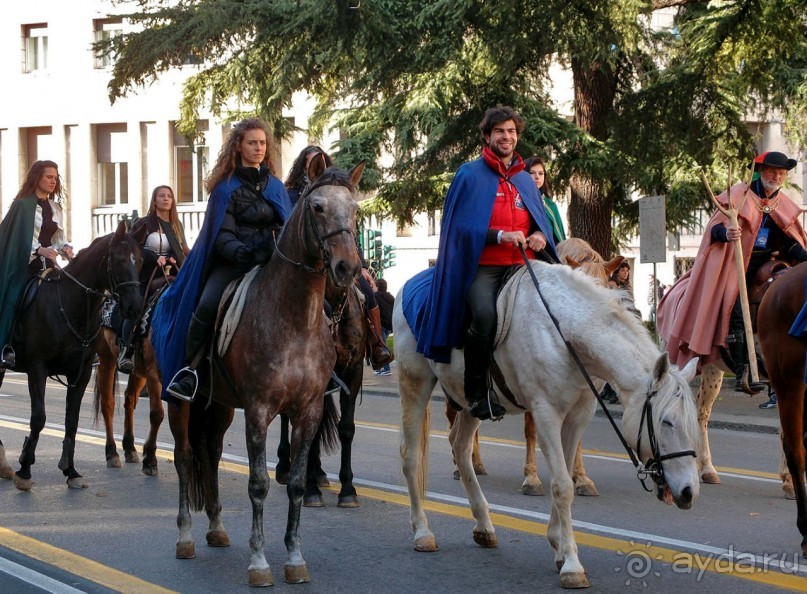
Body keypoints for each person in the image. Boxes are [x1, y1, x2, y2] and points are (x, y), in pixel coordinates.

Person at [414, 105, 558, 420]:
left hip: (525, 264)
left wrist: (541, 237)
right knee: (483, 317)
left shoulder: (523, 178)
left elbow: (539, 222)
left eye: (511, 131)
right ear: (487, 136)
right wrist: (498, 236)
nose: (506, 137)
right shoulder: (469, 175)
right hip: (486, 267)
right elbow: (459, 227)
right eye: (500, 132)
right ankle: (477, 394)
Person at [151, 118, 292, 401]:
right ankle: (189, 371)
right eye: (252, 142)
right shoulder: (225, 189)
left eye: (262, 143)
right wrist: (244, 251)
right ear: (238, 146)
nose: (259, 148)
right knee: (205, 305)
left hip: (272, 263)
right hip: (234, 262)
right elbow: (222, 234)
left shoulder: (276, 188)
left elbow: (288, 226)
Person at [659, 150, 807, 394]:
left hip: (765, 264)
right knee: (736, 308)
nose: (777, 176)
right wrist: (726, 234)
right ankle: (743, 370)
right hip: (734, 265)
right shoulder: (739, 195)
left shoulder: (783, 203)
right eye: (772, 171)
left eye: (781, 173)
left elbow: (789, 241)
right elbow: (714, 229)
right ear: (760, 171)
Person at [285, 145, 393, 370]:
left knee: (367, 293)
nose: (320, 165)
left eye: (323, 160)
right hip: (309, 264)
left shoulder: (337, 192)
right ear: (305, 166)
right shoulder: (291, 194)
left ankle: (377, 344)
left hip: (338, 255)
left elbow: (348, 232)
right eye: (314, 161)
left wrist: (361, 265)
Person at [0, 160, 74, 368]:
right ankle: (6, 347)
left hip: (49, 264)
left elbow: (58, 238)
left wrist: (65, 248)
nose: (53, 181)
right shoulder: (21, 205)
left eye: (55, 177)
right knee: (14, 297)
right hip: (24, 265)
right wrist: (38, 249)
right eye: (48, 177)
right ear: (37, 178)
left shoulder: (55, 207)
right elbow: (17, 237)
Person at [115, 185, 190, 373]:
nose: (166, 199)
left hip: (171, 272)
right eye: (161, 196)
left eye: (169, 196)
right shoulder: (144, 223)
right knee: (137, 305)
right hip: (147, 273)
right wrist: (153, 257)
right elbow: (132, 246)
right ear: (154, 200)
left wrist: (185, 256)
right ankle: (127, 350)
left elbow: (183, 249)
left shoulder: (176, 224)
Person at [524, 156, 566, 244]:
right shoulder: (519, 200)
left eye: (541, 173)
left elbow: (560, 238)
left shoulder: (550, 205)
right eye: (532, 173)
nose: (537, 177)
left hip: (548, 254)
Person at [373, 278, 395, 375]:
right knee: (383, 345)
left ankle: (386, 369)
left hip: (381, 324)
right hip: (389, 325)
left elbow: (375, 311)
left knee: (383, 346)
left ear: (377, 286)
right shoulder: (391, 297)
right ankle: (381, 368)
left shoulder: (376, 297)